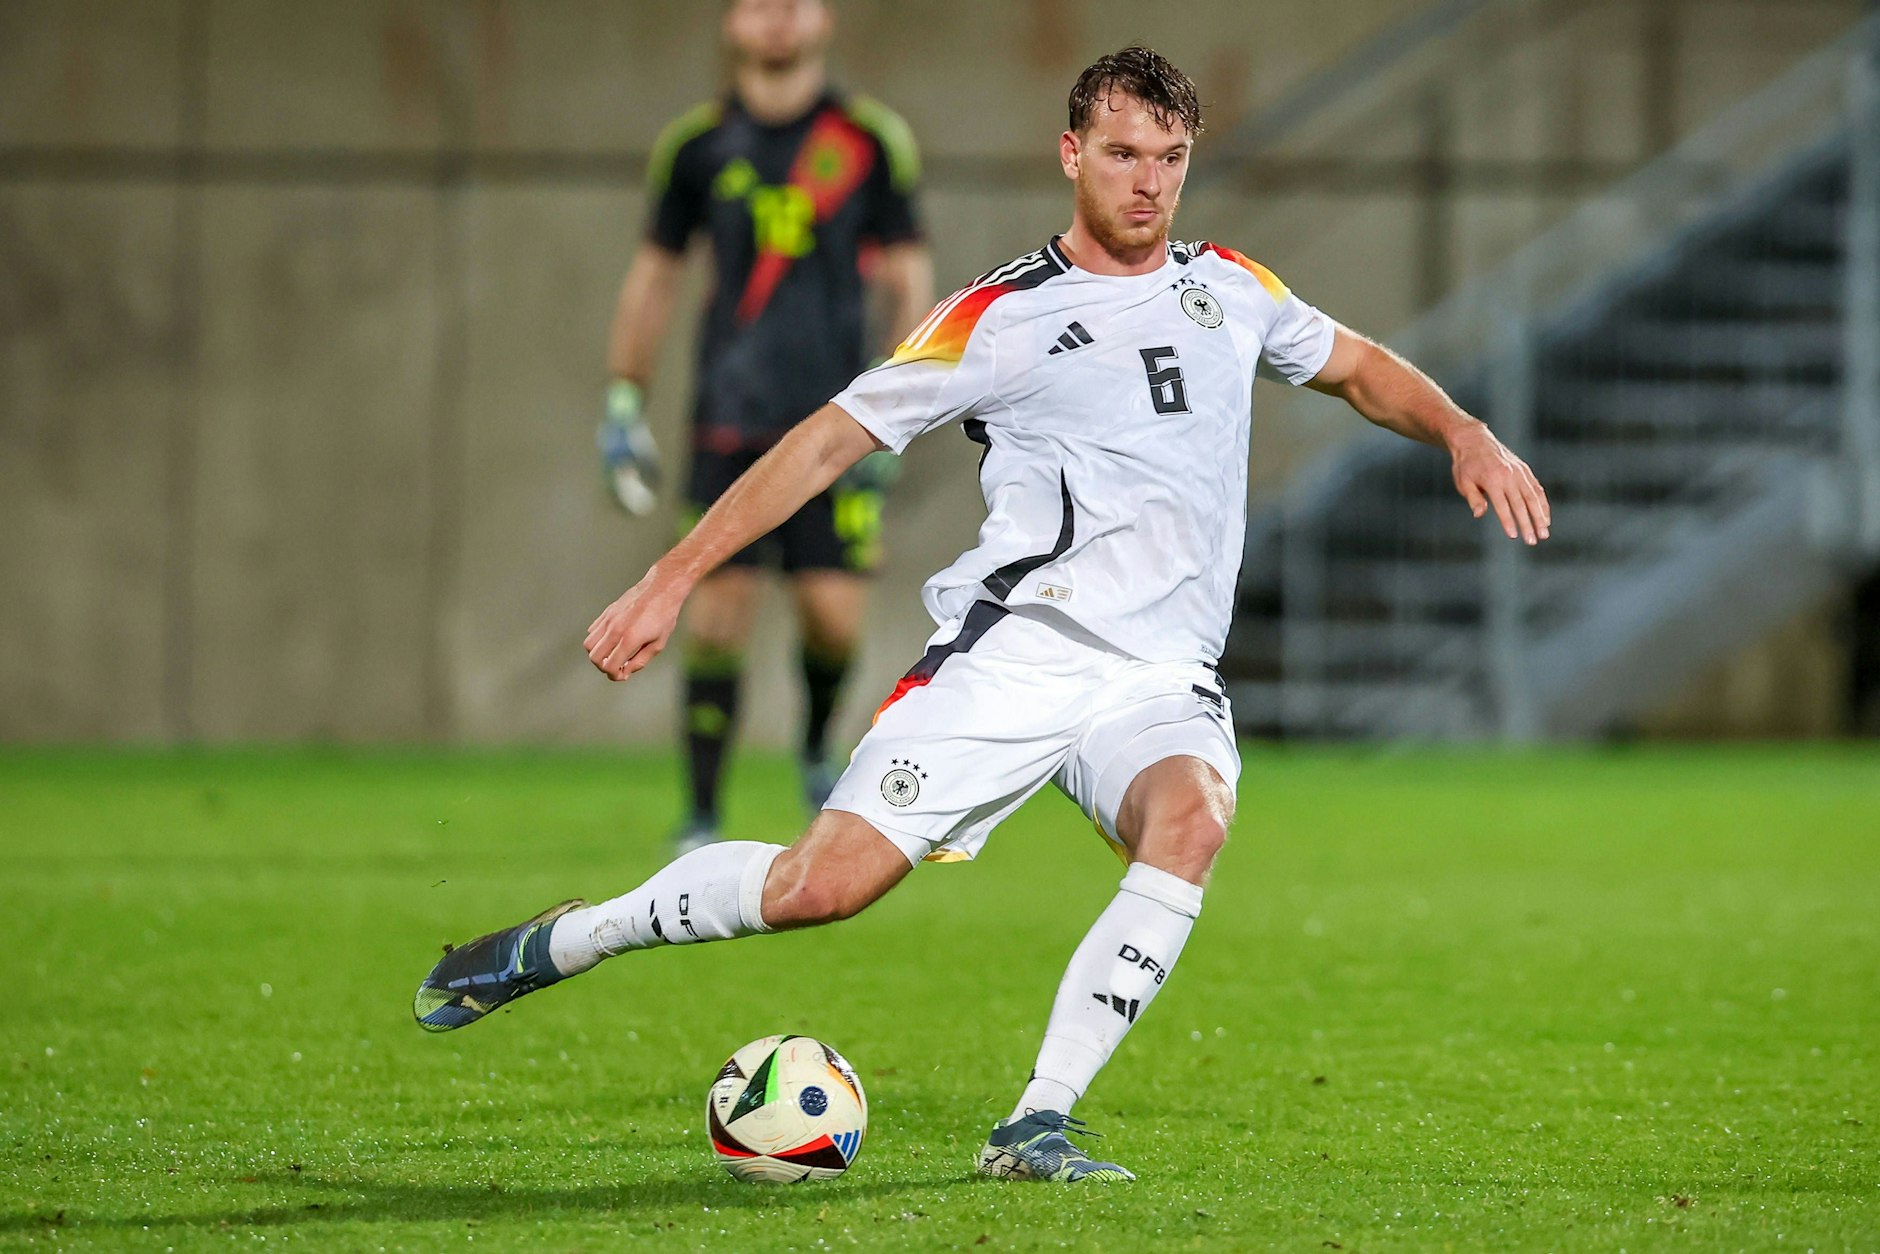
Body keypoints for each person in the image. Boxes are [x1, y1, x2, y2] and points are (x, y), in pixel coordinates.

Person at [419, 46, 1551, 1182]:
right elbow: (827, 439)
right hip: (1017, 656)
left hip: (1157, 674)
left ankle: (1034, 1124)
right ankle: (570, 937)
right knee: (816, 890)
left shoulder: (1232, 288)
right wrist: (671, 575)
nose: (1146, 182)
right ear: (1070, 155)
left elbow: (1355, 368)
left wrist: (1461, 429)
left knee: (1190, 821)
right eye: (1120, 155)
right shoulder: (999, 319)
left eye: (1168, 158)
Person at [600, 0, 933, 849]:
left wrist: (912, 399)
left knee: (833, 620)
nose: (778, 17)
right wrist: (623, 396)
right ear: (730, 23)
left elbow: (909, 280)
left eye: (796, 2)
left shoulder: (869, 141)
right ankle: (702, 812)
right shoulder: (696, 146)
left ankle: (817, 749)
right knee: (713, 618)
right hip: (729, 421)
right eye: (760, 3)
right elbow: (654, 276)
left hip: (839, 425)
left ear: (824, 19)